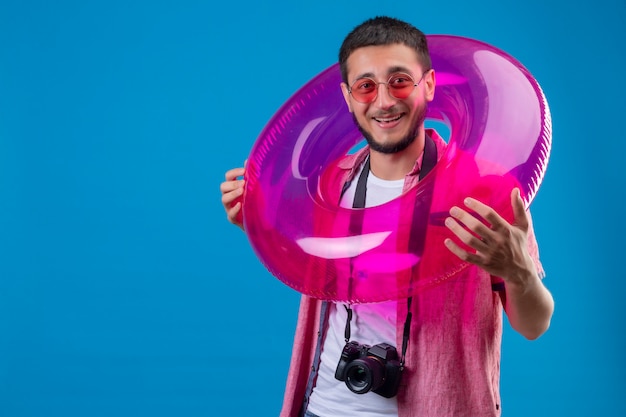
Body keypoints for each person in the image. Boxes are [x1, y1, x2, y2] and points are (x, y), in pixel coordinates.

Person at [219, 16, 554, 417]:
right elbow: (322, 267)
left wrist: (519, 272)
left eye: (399, 80)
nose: (384, 101)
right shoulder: (330, 187)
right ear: (347, 96)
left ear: (429, 84)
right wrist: (264, 224)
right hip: (324, 407)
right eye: (366, 86)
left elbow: (534, 325)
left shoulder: (484, 191)